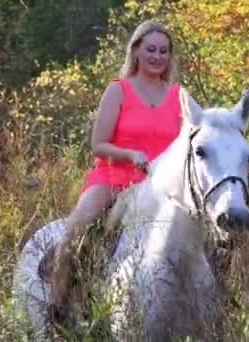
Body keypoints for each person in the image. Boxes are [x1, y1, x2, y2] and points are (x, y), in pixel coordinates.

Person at [45, 20, 184, 320]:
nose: (157, 56)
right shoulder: (118, 90)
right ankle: (57, 307)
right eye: (150, 49)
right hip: (114, 177)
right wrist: (130, 154)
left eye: (163, 51)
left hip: (158, 186)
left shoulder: (177, 97)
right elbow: (97, 145)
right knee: (77, 226)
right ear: (136, 51)